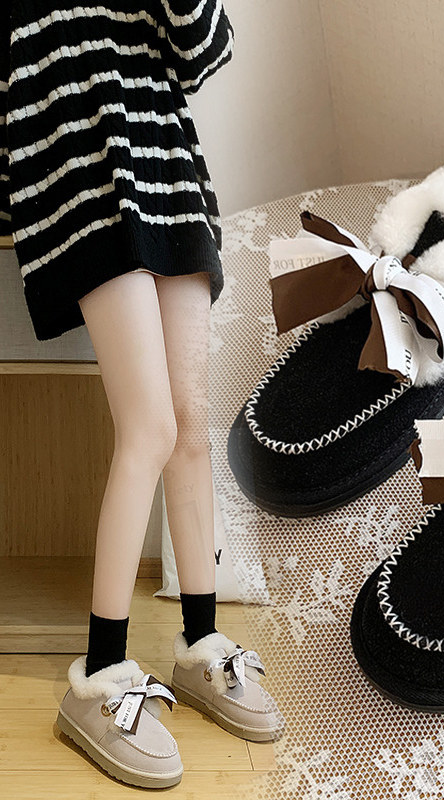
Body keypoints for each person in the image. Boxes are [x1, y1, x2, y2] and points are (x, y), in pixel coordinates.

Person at [1, 2, 283, 788]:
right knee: (150, 429)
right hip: (81, 190)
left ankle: (200, 645)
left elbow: (204, 51)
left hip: (170, 178)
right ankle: (99, 677)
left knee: (190, 429)